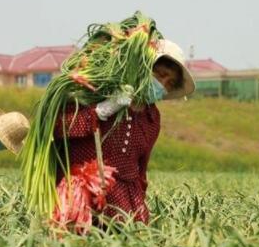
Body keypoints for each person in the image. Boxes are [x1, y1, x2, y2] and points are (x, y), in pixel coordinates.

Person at [52, 39, 195, 229]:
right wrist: (100, 111)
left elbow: (141, 171)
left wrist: (139, 207)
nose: (163, 84)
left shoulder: (151, 118)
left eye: (169, 83)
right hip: (79, 197)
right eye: (160, 75)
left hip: (123, 205)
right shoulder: (96, 91)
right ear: (143, 67)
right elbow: (56, 128)